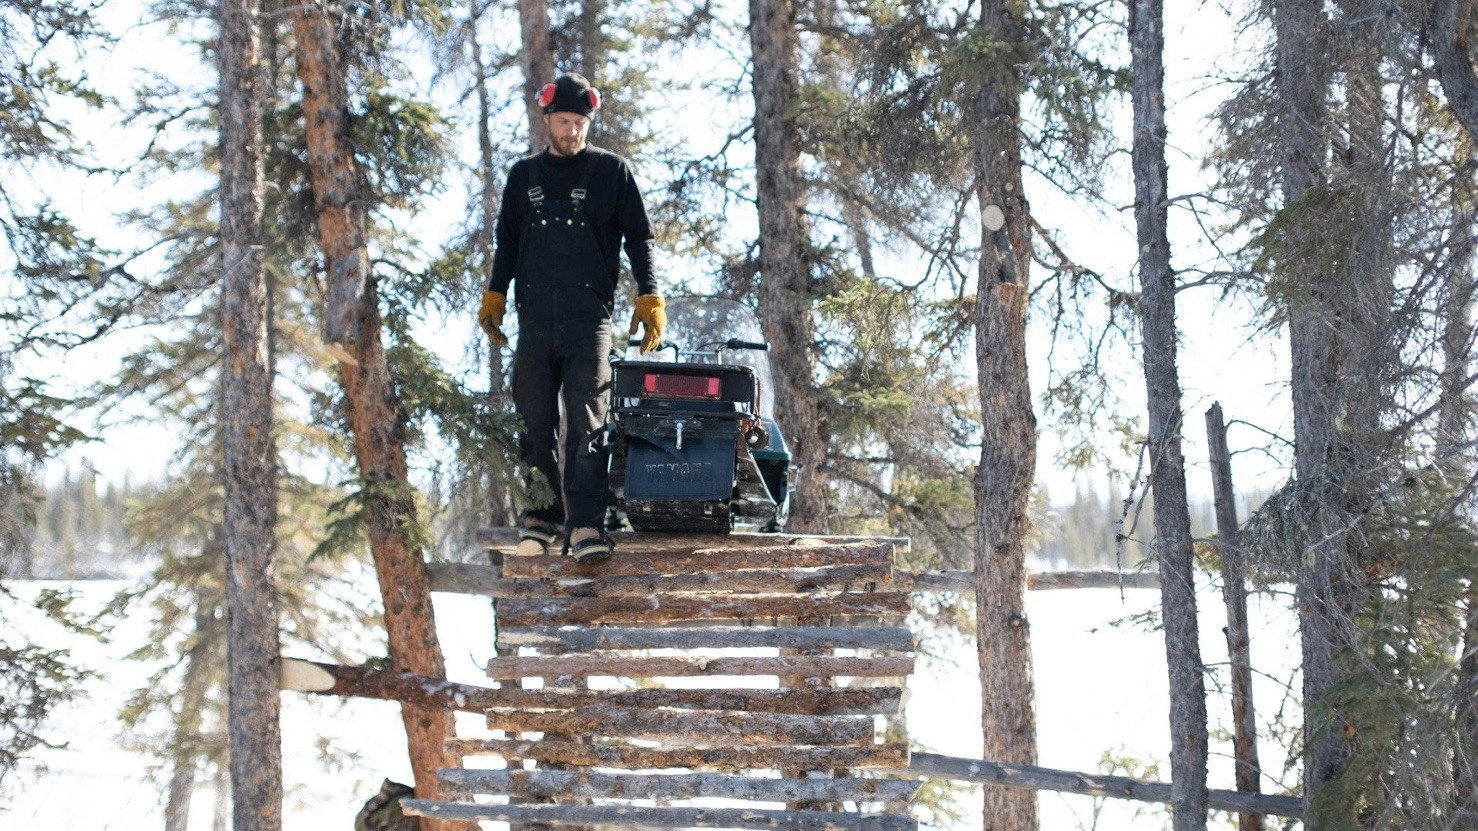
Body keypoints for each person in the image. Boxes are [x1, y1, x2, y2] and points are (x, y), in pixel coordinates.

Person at [478, 73, 665, 562]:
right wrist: (496, 293)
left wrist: (650, 297)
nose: (572, 130)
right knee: (535, 418)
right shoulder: (523, 177)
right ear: (547, 120)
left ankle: (585, 526)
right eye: (563, 121)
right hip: (534, 316)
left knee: (587, 418)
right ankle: (541, 518)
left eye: (580, 122)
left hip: (589, 318)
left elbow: (639, 239)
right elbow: (507, 244)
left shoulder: (612, 172)